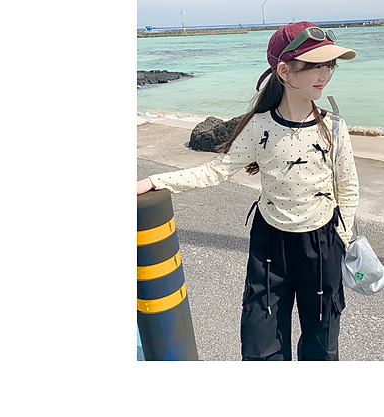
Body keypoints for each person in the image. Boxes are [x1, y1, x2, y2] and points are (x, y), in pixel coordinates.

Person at [136, 21, 359, 361]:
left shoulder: (334, 126)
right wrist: (157, 181)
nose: (325, 73)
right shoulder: (259, 126)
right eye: (315, 65)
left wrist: (341, 237)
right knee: (261, 340)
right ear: (284, 71)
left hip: (322, 242)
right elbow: (216, 171)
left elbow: (348, 186)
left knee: (322, 339)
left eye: (330, 65)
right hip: (270, 244)